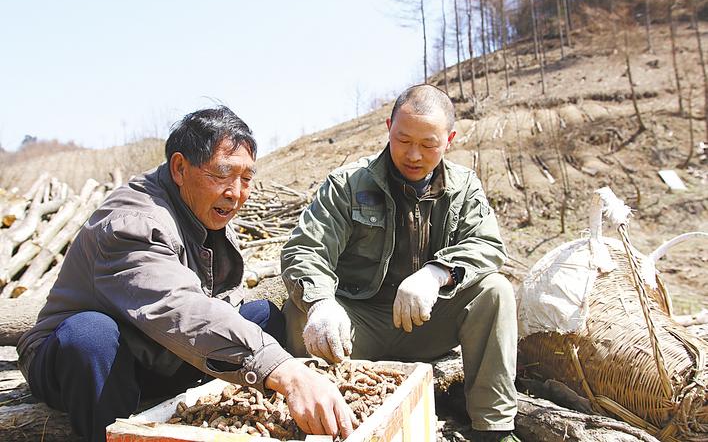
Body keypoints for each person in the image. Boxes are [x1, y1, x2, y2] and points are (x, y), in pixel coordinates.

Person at [17, 106, 356, 442]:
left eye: (246, 179)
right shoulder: (131, 223)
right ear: (180, 168)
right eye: (222, 174)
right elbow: (177, 307)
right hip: (85, 364)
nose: (235, 193)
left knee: (262, 316)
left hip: (157, 353)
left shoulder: (205, 209)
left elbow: (220, 303)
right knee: (91, 334)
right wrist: (286, 371)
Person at [281, 84, 519, 442]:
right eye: (403, 140)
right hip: (356, 326)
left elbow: (487, 244)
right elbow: (305, 249)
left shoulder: (464, 187)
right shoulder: (348, 184)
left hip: (426, 324)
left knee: (495, 291)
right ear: (388, 127)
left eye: (428, 144)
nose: (413, 155)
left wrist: (438, 273)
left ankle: (494, 430)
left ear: (449, 140)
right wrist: (321, 304)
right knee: (301, 312)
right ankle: (323, 421)